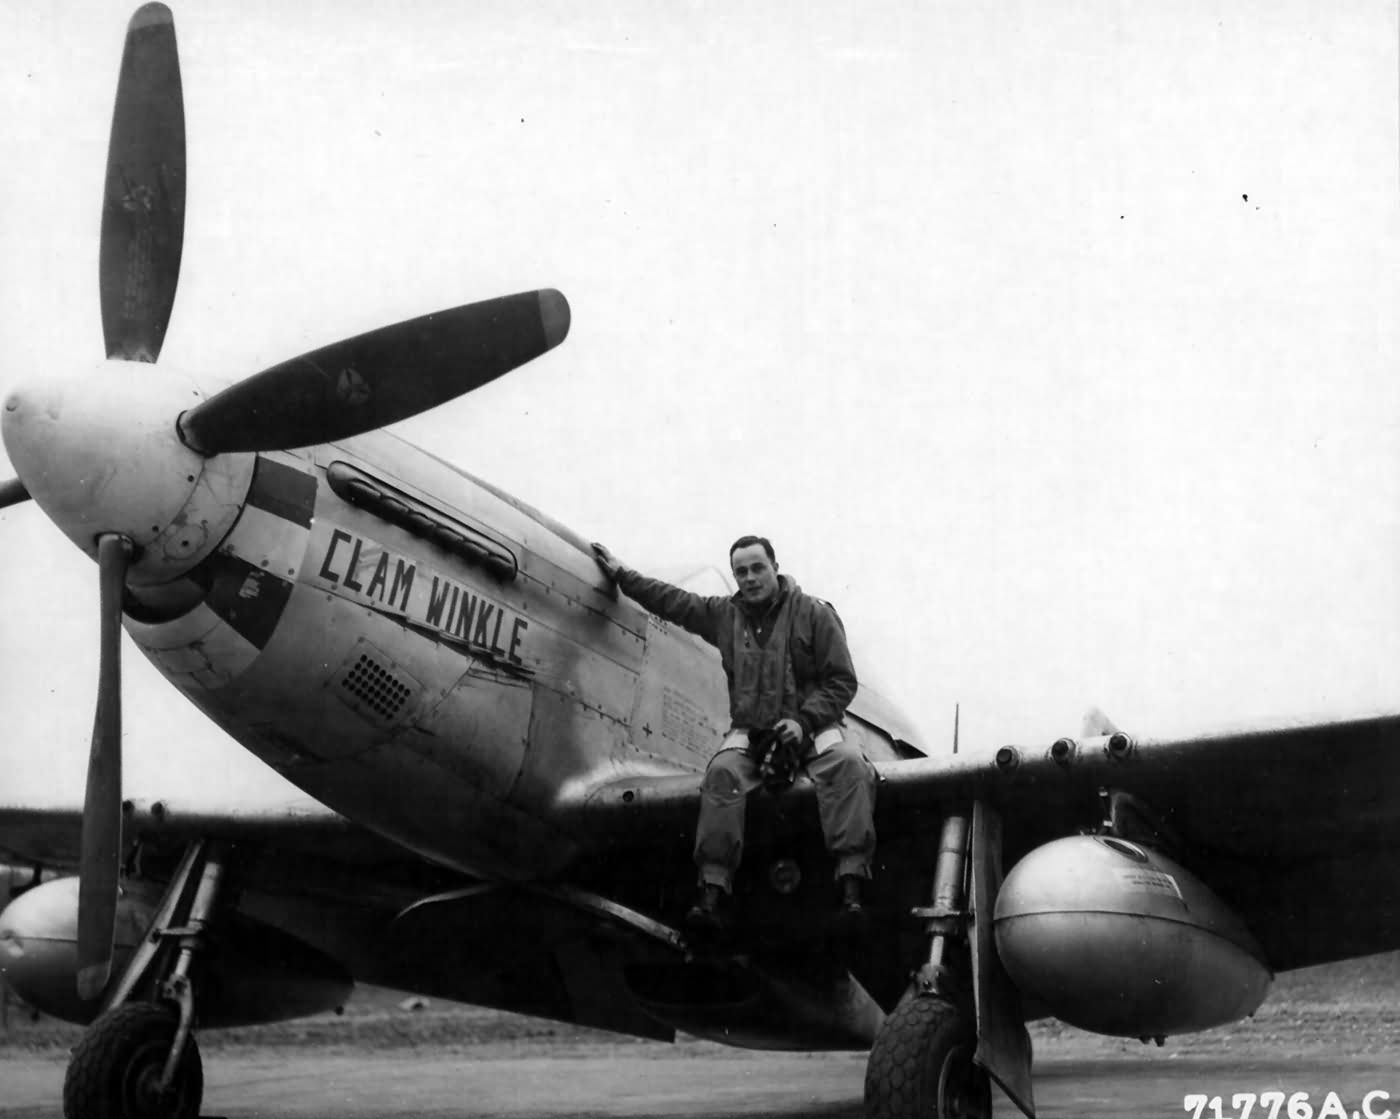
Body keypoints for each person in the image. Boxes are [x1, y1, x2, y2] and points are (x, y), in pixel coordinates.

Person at [591, 535, 877, 935]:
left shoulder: (815, 614)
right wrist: (623, 575)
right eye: (740, 571)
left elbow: (842, 681)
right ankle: (712, 893)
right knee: (722, 774)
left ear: (775, 567)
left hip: (812, 729)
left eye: (757, 568)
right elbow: (672, 602)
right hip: (752, 734)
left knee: (849, 767)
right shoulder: (723, 615)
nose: (750, 578)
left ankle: (852, 889)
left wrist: (803, 722)